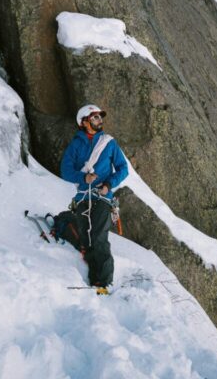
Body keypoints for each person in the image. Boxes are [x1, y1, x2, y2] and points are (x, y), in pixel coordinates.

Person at [59, 104, 129, 292]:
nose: (100, 120)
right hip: (83, 197)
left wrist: (108, 185)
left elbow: (123, 169)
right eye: (95, 117)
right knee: (87, 237)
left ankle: (103, 282)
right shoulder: (76, 144)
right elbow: (65, 170)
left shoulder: (109, 143)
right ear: (84, 122)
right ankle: (95, 278)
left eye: (100, 117)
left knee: (98, 236)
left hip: (102, 196)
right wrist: (83, 177)